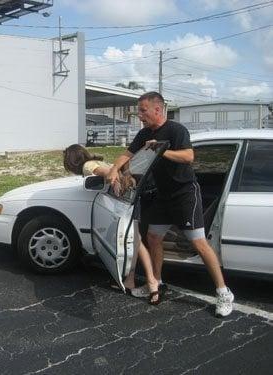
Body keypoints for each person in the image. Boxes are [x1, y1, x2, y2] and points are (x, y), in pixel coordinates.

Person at [107, 91, 234, 317]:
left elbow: (188, 157)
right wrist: (115, 170)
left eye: (143, 111)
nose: (140, 116)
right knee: (154, 238)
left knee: (199, 244)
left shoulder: (176, 130)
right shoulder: (144, 133)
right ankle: (156, 281)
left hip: (185, 193)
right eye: (139, 111)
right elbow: (127, 155)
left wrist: (161, 150)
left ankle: (224, 292)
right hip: (163, 196)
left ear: (157, 109)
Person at [63, 144, 160, 304]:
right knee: (134, 240)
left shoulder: (88, 166)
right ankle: (130, 280)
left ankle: (152, 282)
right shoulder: (94, 162)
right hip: (131, 197)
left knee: (136, 241)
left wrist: (116, 184)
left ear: (71, 161)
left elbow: (108, 173)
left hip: (128, 199)